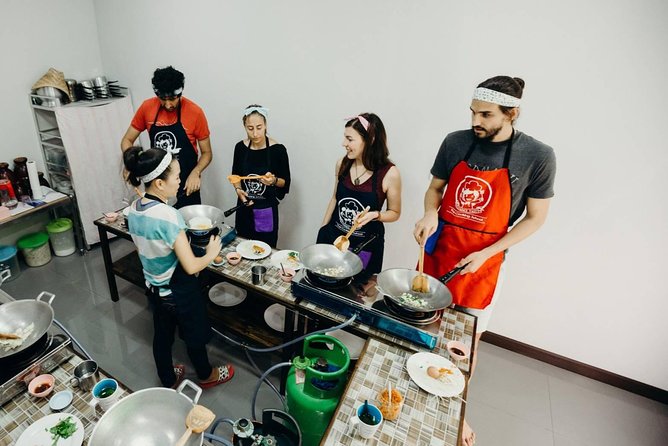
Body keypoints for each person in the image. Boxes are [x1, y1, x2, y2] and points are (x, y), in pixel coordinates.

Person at [413, 76, 556, 446]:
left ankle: (456, 410)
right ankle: (412, 390)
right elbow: (434, 191)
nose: (476, 120)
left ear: (512, 113)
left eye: (485, 114)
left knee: (464, 345)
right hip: (440, 251)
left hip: (483, 264)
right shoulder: (456, 141)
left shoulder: (538, 156)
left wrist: (488, 253)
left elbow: (536, 218)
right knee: (421, 327)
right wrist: (430, 214)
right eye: (473, 112)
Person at [123, 146, 234, 389]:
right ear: (160, 184)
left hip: (154, 286)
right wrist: (212, 252)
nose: (180, 181)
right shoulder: (169, 215)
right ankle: (206, 375)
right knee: (194, 334)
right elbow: (192, 266)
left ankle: (168, 377)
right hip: (178, 291)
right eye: (176, 176)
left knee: (162, 336)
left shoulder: (133, 209)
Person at [317, 113, 402, 295]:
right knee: (325, 286)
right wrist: (323, 230)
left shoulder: (389, 173)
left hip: (364, 246)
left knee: (354, 293)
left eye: (349, 139)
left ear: (369, 140)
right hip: (335, 239)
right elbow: (334, 198)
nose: (343, 143)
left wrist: (376, 215)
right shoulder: (342, 164)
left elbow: (395, 212)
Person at [121, 66, 212, 208]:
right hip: (157, 187)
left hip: (186, 185)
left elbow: (207, 153)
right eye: (163, 99)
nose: (168, 104)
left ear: (180, 92)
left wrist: (196, 172)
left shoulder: (195, 112)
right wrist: (130, 163)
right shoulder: (147, 108)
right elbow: (127, 140)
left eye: (173, 99)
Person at [231, 105, 291, 247]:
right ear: (244, 127)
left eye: (259, 127)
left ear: (265, 125)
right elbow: (235, 177)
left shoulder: (278, 150)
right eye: (250, 128)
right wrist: (239, 191)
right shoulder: (240, 148)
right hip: (244, 208)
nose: (255, 133)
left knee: (264, 249)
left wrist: (273, 180)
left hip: (265, 211)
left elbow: (285, 182)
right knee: (242, 246)